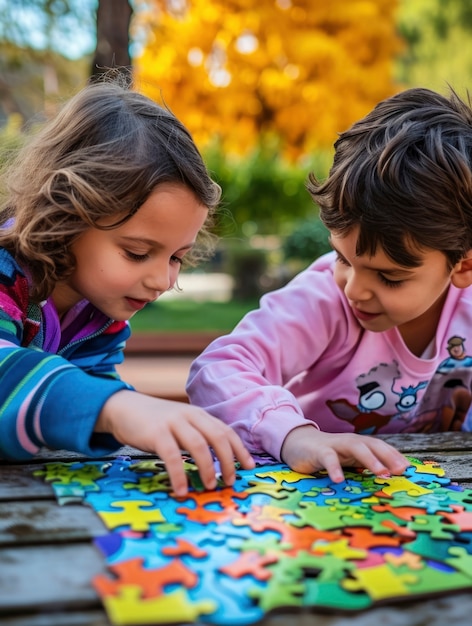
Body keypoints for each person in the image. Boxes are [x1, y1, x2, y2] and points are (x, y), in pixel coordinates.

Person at [187, 86, 472, 483]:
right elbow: (218, 369)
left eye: (389, 277)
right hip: (320, 500)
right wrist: (295, 437)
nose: (354, 289)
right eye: (343, 258)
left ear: (463, 265)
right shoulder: (324, 298)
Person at [0, 78, 254, 497]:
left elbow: (93, 388)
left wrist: (146, 421)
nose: (163, 280)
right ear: (67, 213)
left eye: (177, 257)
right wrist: (119, 409)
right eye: (137, 253)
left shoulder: (99, 309)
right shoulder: (7, 275)